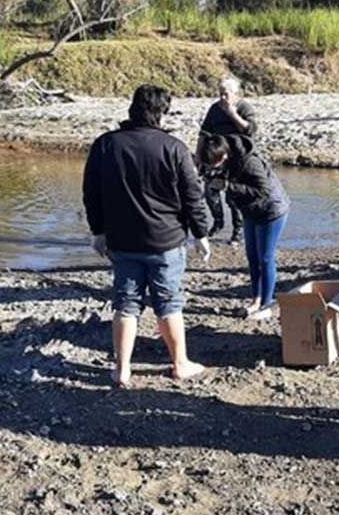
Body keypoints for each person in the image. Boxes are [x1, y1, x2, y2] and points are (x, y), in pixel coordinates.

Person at [83, 84, 213, 387]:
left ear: (132, 108)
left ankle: (122, 369)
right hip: (166, 241)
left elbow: (92, 193)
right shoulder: (174, 147)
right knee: (169, 302)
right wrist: (201, 233)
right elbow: (193, 196)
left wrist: (97, 230)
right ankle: (179, 364)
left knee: (126, 303)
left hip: (122, 240)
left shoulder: (105, 145)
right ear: (162, 113)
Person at [201, 133, 290, 321]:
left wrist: (228, 186)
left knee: (265, 257)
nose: (211, 167)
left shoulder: (250, 162)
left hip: (271, 210)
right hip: (250, 210)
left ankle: (267, 303)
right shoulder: (222, 160)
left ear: (224, 156)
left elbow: (263, 191)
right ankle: (256, 300)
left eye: (213, 164)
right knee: (252, 256)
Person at [197, 77, 258, 246]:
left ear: (235, 94)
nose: (222, 98)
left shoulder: (244, 107)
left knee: (233, 197)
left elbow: (251, 130)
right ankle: (218, 222)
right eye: (220, 94)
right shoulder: (214, 109)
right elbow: (203, 134)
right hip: (216, 155)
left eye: (226, 94)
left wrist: (232, 114)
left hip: (237, 158)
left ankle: (237, 232)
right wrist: (199, 158)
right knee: (210, 192)